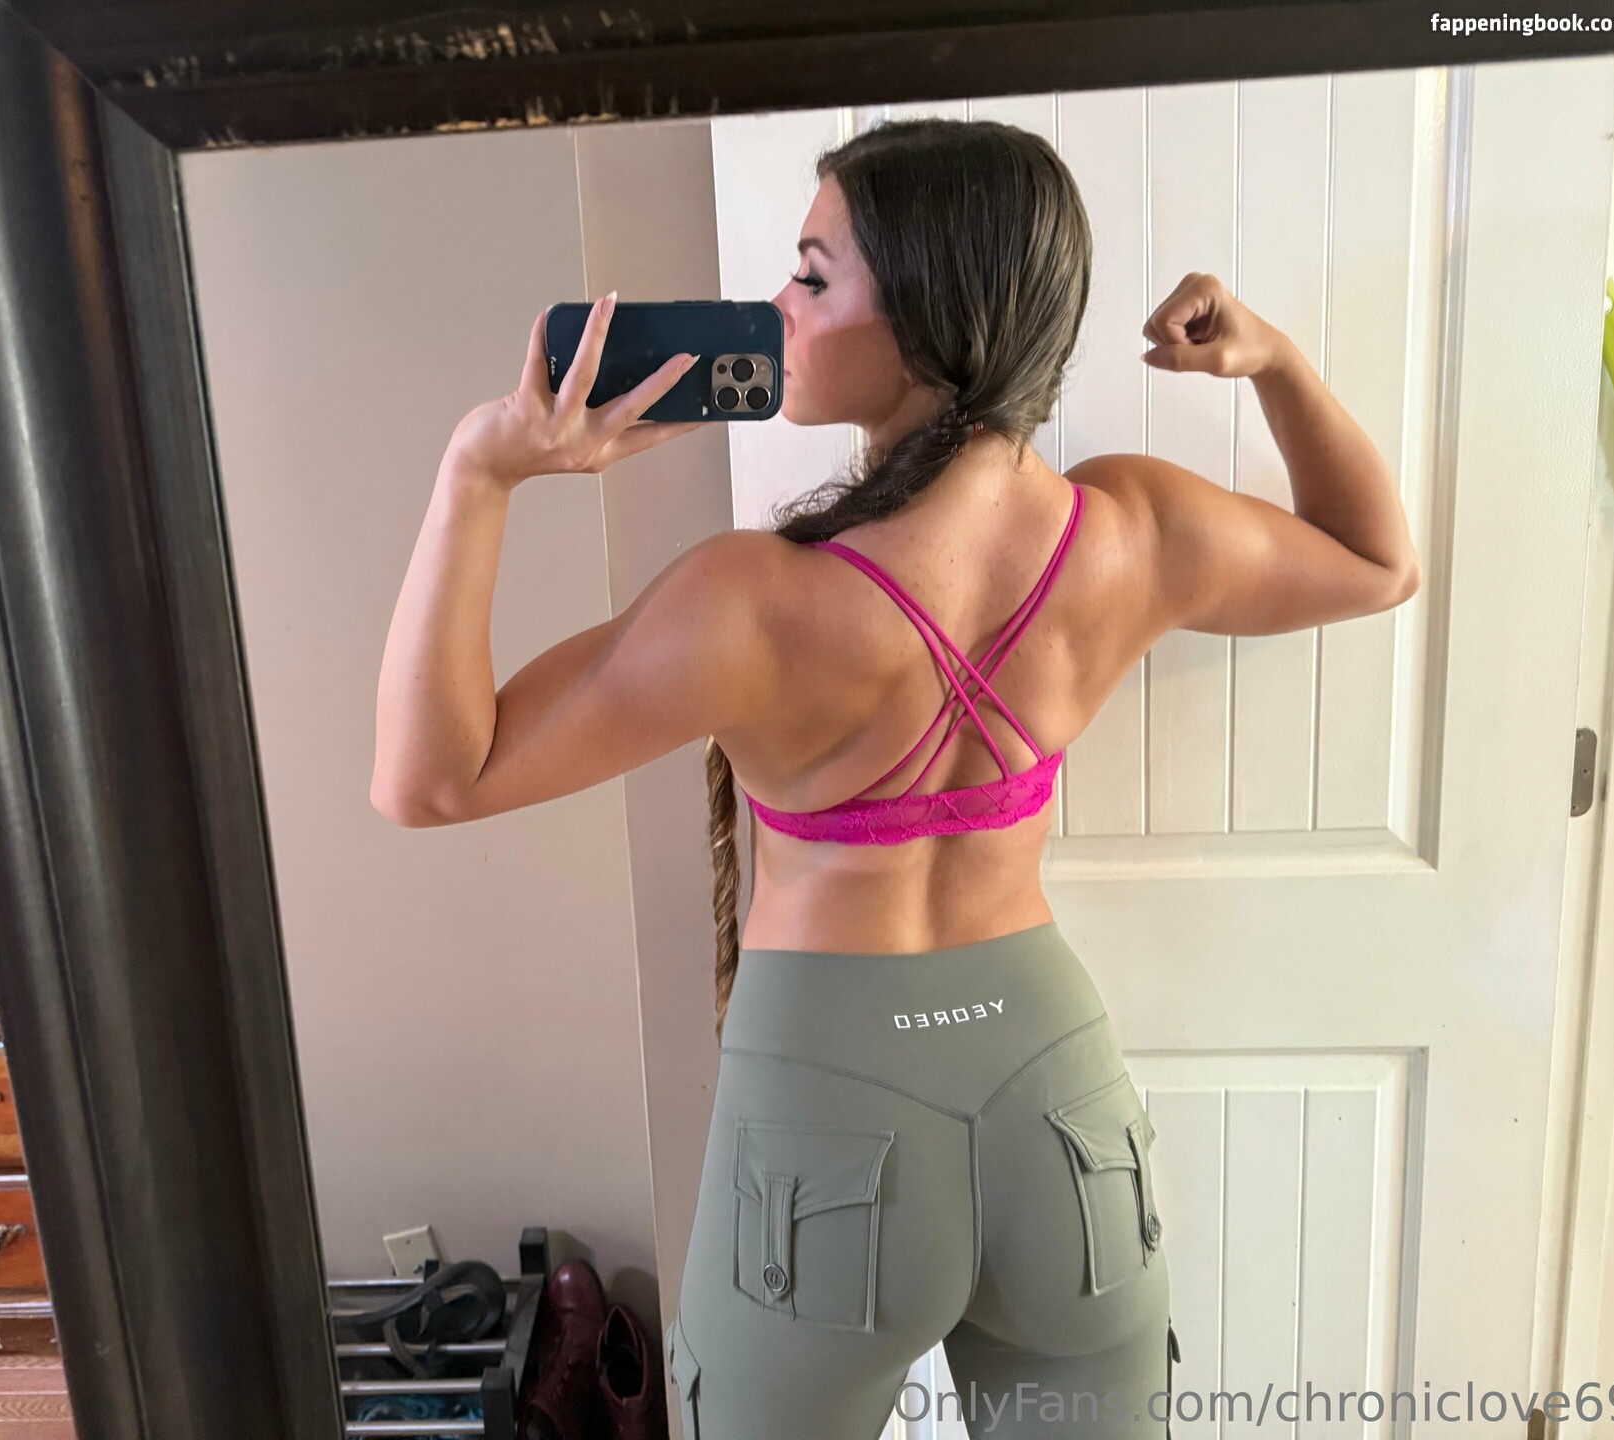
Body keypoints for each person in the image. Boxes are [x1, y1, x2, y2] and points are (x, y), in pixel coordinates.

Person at [372, 118, 1419, 1439]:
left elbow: (430, 779)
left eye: (812, 277)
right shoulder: (1133, 533)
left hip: (825, 1121)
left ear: (930, 320)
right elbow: (1378, 561)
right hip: (1057, 1102)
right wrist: (1274, 364)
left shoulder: (749, 603)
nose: (777, 307)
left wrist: (480, 472)